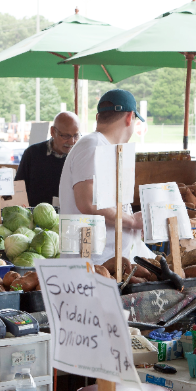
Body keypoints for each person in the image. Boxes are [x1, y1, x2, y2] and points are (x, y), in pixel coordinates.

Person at [59, 89, 145, 264]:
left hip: (104, 264)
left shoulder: (102, 146)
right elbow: (88, 202)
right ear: (130, 117)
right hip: (92, 266)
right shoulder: (92, 145)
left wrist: (132, 221)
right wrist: (132, 221)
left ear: (98, 117)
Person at [15, 112, 80, 207]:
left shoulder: (79, 156)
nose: (71, 141)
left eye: (76, 136)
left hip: (67, 217)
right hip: (34, 217)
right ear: (53, 132)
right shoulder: (32, 153)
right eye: (66, 136)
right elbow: (18, 188)